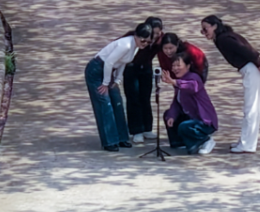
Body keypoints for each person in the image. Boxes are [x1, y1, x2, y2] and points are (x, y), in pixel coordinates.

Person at [200, 14, 260, 154]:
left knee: (251, 108)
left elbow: (246, 50)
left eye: (206, 29)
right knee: (251, 107)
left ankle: (247, 144)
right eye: (202, 30)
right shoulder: (223, 37)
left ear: (214, 26)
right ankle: (246, 141)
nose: (204, 33)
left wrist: (259, 64)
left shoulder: (224, 39)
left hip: (251, 69)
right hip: (249, 69)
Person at [85, 22, 154, 151]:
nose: (144, 44)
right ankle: (109, 141)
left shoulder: (135, 47)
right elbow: (109, 62)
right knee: (105, 103)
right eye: (143, 40)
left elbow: (123, 61)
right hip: (97, 69)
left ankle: (122, 138)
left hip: (110, 71)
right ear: (136, 36)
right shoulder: (126, 45)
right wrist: (105, 83)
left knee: (117, 102)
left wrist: (117, 79)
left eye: (148, 42)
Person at [162, 50, 218, 155]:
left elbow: (192, 86)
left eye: (178, 65)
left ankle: (206, 140)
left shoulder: (194, 77)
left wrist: (174, 82)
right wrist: (171, 116)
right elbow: (176, 102)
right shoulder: (179, 81)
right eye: (173, 66)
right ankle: (180, 143)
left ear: (188, 66)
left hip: (203, 120)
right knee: (168, 114)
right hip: (191, 117)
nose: (175, 68)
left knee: (184, 126)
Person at [122, 16, 163, 144]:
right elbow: (117, 46)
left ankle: (147, 128)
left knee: (145, 98)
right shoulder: (134, 36)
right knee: (133, 98)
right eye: (153, 33)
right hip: (131, 68)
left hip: (146, 68)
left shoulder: (160, 40)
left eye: (158, 33)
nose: (155, 36)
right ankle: (136, 130)